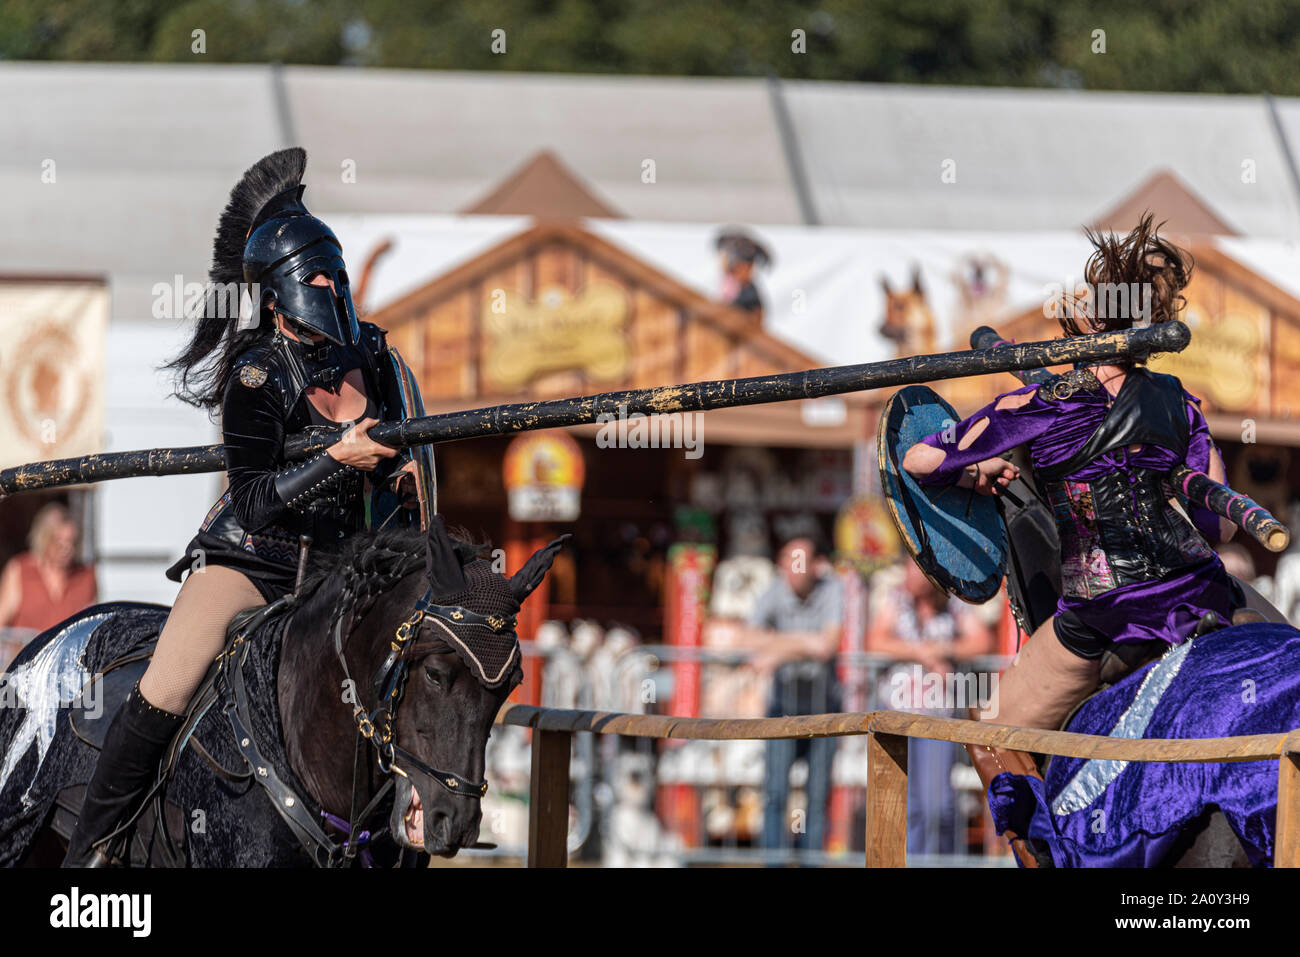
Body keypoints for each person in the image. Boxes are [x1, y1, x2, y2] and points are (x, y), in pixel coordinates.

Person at [64, 148, 427, 867]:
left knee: (420, 665)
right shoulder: (256, 373)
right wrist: (334, 459)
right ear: (279, 292)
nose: (330, 284)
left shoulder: (377, 357)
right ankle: (90, 855)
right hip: (251, 558)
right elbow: (256, 501)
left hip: (342, 569)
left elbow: (404, 465)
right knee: (165, 686)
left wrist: (403, 478)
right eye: (315, 275)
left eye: (335, 271)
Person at [901, 214, 1240, 865]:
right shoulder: (1182, 402)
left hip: (1107, 615)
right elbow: (1218, 525)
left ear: (1088, 325)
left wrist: (978, 466)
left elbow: (921, 459)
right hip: (1204, 600)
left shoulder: (1040, 404)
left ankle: (1046, 856)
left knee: (991, 728)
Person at [866, 561, 993, 857]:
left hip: (937, 719)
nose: (909, 576)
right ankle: (910, 860)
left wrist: (942, 651)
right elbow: (875, 641)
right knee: (905, 804)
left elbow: (981, 641)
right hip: (895, 718)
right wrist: (921, 652)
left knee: (938, 805)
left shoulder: (955, 605)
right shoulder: (896, 600)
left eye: (916, 569)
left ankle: (938, 861)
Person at [732, 535, 843, 857]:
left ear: (816, 565)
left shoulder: (832, 588)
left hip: (825, 710)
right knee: (775, 792)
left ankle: (811, 861)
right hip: (783, 707)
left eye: (798, 562)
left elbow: (828, 646)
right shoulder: (775, 589)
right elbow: (746, 639)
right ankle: (773, 861)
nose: (791, 570)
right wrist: (804, 644)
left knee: (818, 794)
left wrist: (777, 651)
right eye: (787, 561)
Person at [0, 503, 97, 632]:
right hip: (28, 650)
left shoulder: (86, 575)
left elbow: (93, 627)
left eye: (72, 542)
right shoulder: (20, 570)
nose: (67, 549)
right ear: (44, 539)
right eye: (59, 543)